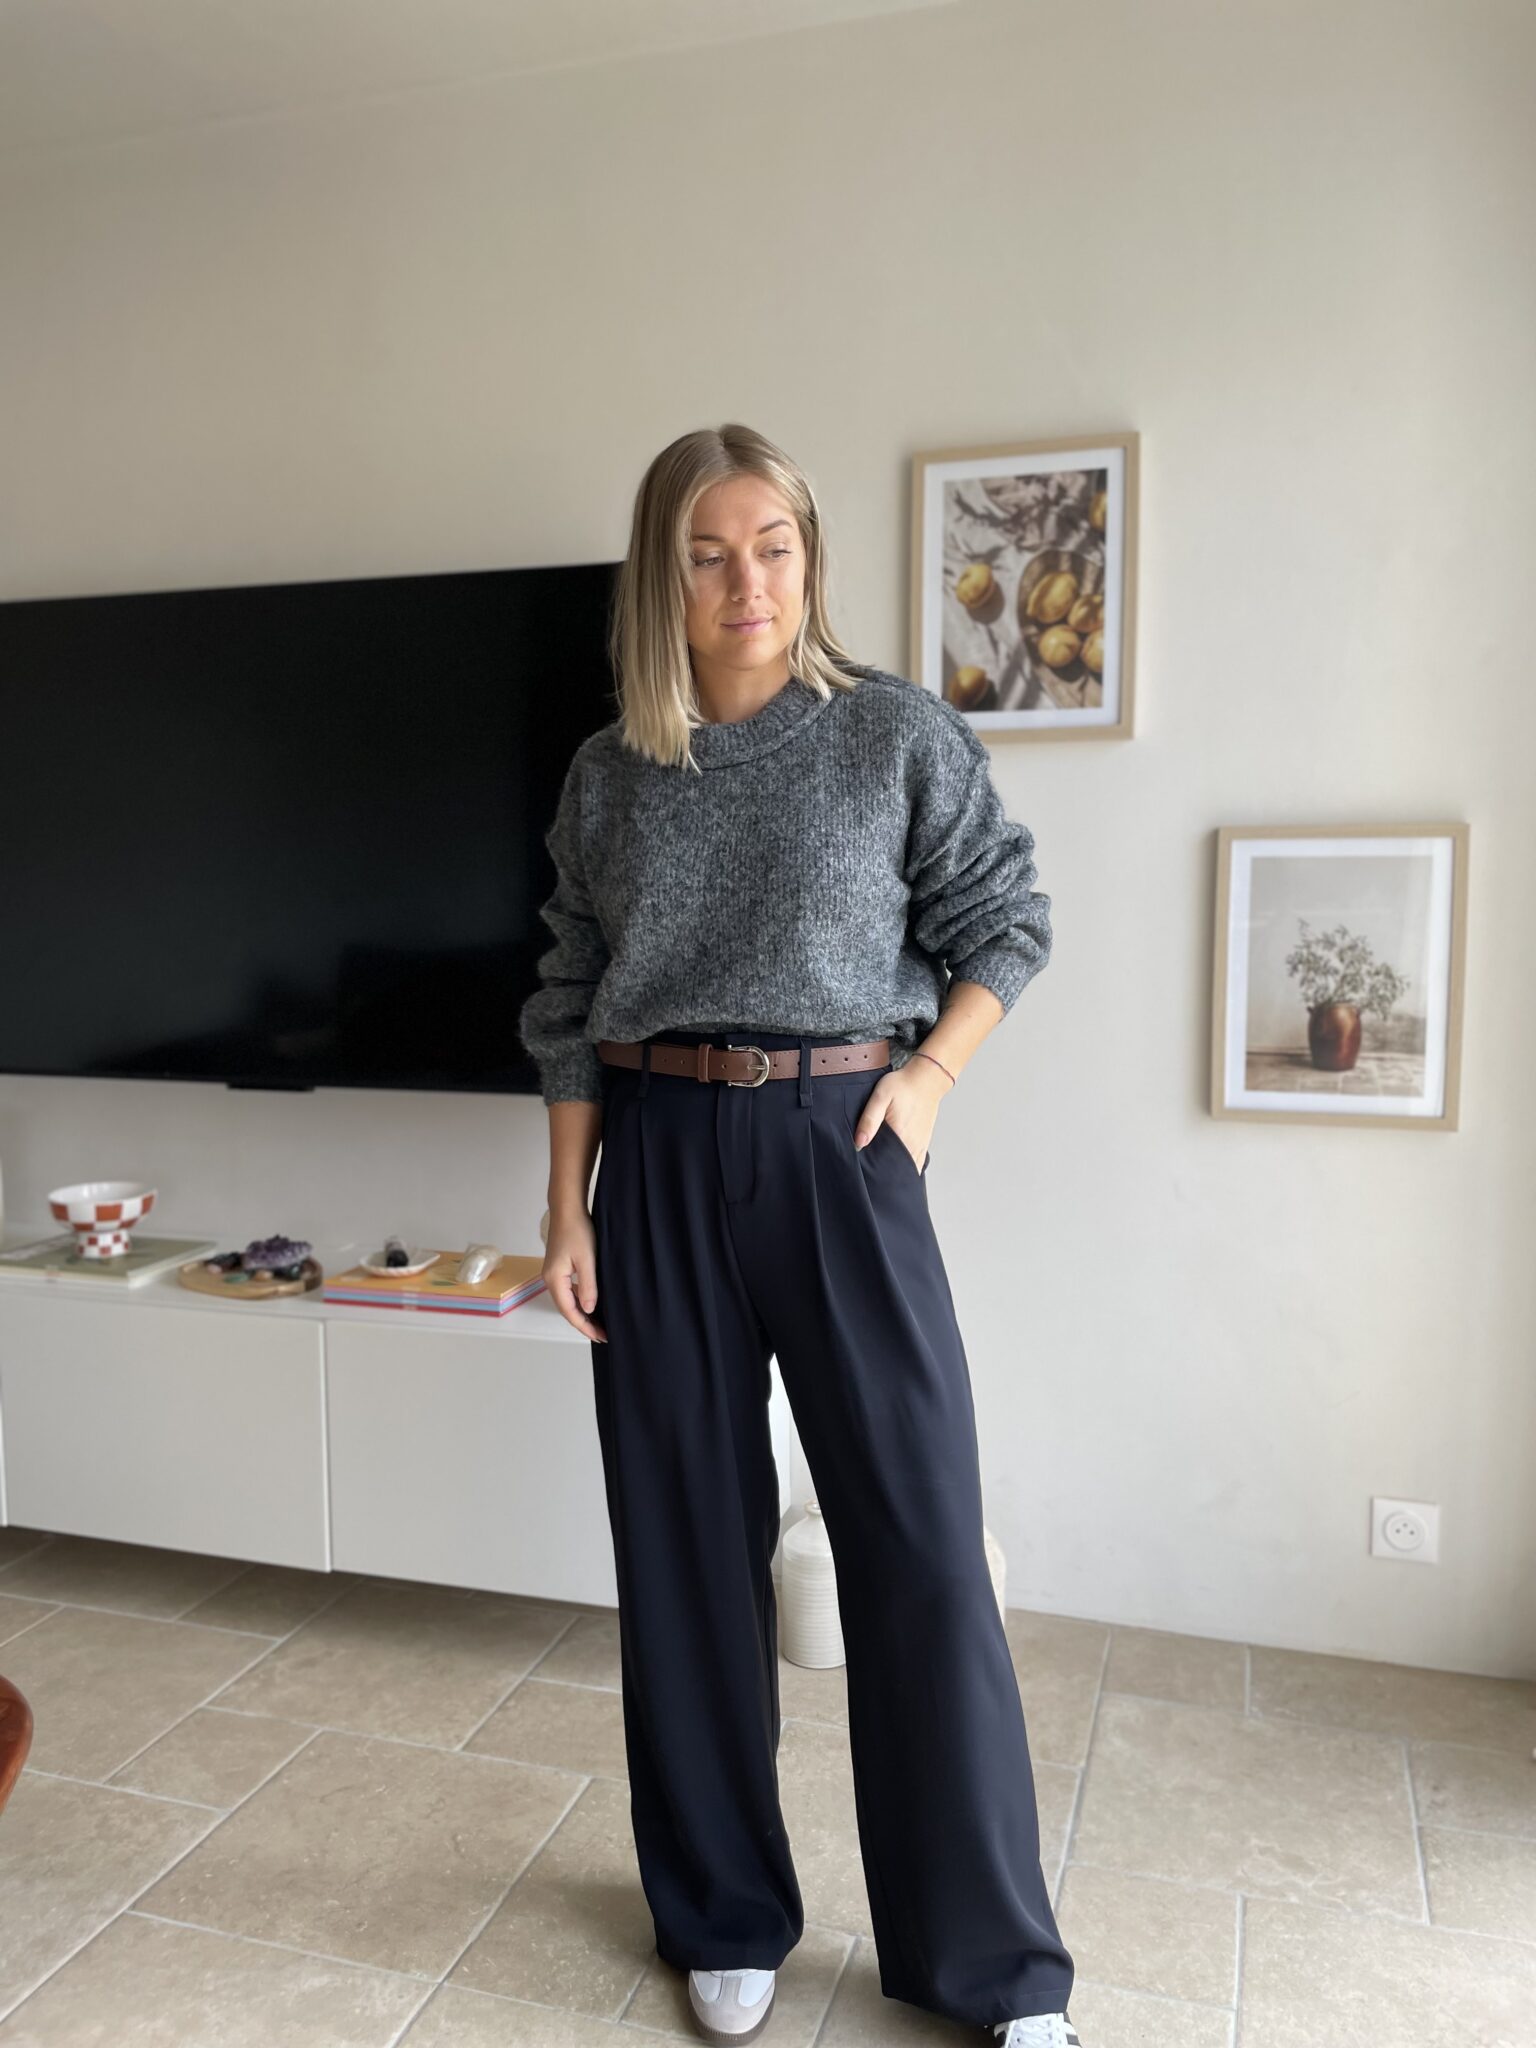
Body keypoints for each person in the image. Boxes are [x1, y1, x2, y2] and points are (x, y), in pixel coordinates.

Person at [518, 424, 1080, 2048]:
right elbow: (567, 996)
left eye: (771, 545)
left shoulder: (890, 733)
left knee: (921, 1542)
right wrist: (566, 1205)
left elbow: (1005, 918)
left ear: (810, 558)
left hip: (846, 1146)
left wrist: (928, 1077)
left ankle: (991, 1967)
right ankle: (722, 1912)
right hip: (657, 1154)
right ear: (663, 576)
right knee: (684, 1548)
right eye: (707, 553)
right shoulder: (611, 773)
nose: (745, 580)